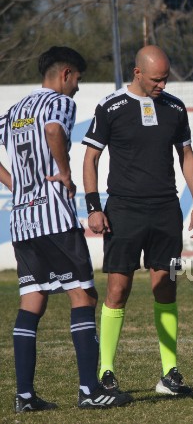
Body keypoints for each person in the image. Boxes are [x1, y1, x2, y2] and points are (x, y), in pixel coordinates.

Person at [0, 46, 131, 412]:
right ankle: (90, 390)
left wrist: (16, 185)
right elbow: (55, 129)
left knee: (33, 301)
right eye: (78, 80)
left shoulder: (15, 111)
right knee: (83, 297)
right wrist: (66, 172)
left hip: (22, 220)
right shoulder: (58, 103)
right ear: (66, 74)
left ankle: (24, 396)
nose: (77, 89)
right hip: (54, 218)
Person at [82, 45, 193, 395]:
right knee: (118, 289)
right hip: (124, 209)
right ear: (137, 73)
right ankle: (106, 371)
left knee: (165, 285)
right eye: (156, 79)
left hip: (166, 209)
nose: (162, 85)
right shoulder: (111, 107)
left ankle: (171, 373)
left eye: (166, 79)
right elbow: (91, 158)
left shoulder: (174, 108)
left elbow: (186, 155)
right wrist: (94, 206)